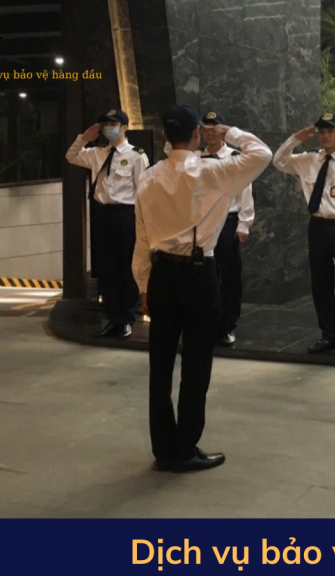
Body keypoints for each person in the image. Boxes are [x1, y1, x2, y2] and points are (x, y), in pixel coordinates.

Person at [132, 104, 272, 473]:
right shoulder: (213, 172)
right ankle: (185, 446)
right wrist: (230, 133)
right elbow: (262, 154)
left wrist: (144, 284)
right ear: (197, 134)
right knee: (196, 364)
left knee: (160, 364)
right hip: (197, 274)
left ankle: (163, 447)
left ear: (165, 136)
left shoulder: (148, 177)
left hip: (161, 275)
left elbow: (141, 238)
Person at [273, 113, 335, 357]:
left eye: (330, 131)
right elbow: (278, 161)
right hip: (318, 227)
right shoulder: (308, 159)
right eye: (322, 131)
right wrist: (295, 139)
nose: (325, 136)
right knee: (321, 285)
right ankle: (328, 336)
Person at [65, 109, 148, 339]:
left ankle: (126, 319)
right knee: (107, 269)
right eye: (105, 124)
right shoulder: (97, 153)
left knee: (126, 269)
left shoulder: (136, 155)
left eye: (113, 124)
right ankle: (112, 318)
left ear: (124, 127)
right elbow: (71, 156)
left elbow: (143, 192)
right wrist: (84, 138)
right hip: (102, 214)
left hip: (126, 215)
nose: (108, 128)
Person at [199, 111, 256, 347]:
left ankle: (228, 324)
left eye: (215, 127)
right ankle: (208, 323)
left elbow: (245, 191)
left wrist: (244, 224)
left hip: (228, 221)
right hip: (203, 222)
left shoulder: (235, 158)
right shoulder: (196, 158)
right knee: (206, 275)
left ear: (224, 130)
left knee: (229, 276)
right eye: (206, 127)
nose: (210, 132)